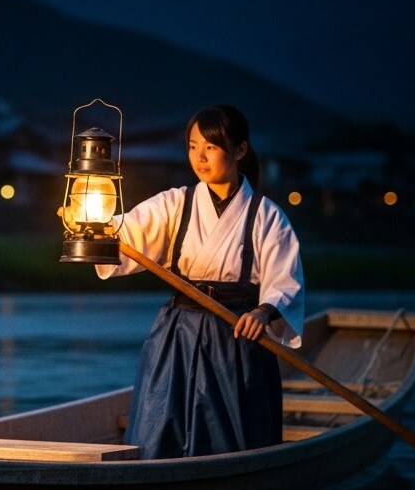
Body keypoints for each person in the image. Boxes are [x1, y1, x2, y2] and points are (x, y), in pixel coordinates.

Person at [97, 104, 304, 459]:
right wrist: (88, 223)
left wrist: (262, 313)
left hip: (236, 335)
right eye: (193, 147)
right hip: (178, 332)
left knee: (232, 429)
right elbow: (123, 231)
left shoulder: (266, 215)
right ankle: (154, 474)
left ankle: (234, 477)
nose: (200, 157)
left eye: (210, 147)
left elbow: (285, 281)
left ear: (240, 150)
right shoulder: (176, 203)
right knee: (161, 418)